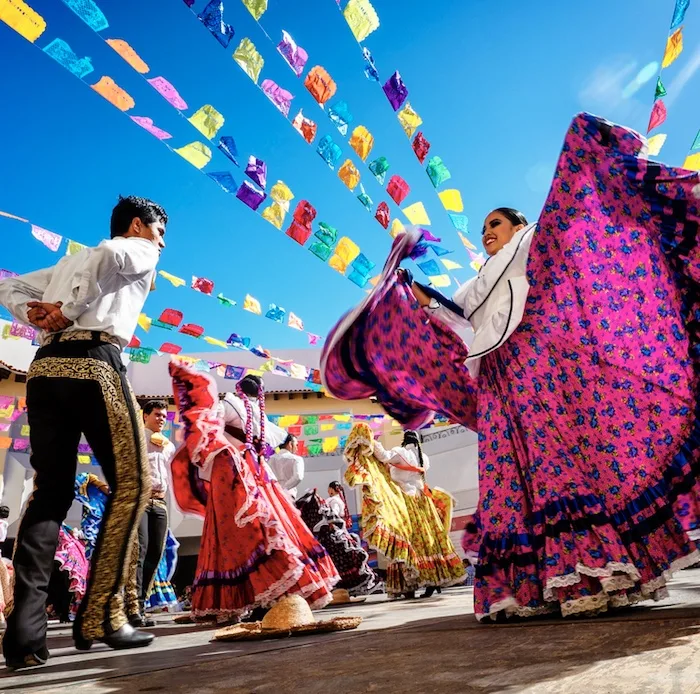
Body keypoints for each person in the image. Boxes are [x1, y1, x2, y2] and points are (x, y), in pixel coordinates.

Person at [322, 113, 700, 621]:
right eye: (482, 231)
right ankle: (536, 583)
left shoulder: (534, 242)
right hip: (497, 380)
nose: (486, 235)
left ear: (517, 224)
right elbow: (453, 318)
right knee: (510, 473)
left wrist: (584, 151)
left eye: (494, 224)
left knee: (556, 462)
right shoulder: (478, 280)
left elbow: (572, 235)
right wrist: (413, 298)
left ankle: (593, 567)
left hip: (538, 367)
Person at [0, 195, 167, 668]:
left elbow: (10, 286)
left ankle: (25, 638)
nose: (163, 243)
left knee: (50, 493)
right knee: (133, 483)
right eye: (160, 231)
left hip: (45, 368)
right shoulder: (133, 249)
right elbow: (110, 255)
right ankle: (104, 613)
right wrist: (70, 310)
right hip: (94, 365)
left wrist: (36, 315)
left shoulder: (66, 261)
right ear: (138, 225)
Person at [169, 364, 339, 623]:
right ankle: (265, 596)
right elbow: (273, 440)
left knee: (235, 535)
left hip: (237, 476)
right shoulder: (262, 417)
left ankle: (251, 598)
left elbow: (206, 427)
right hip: (260, 474)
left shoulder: (230, 405)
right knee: (266, 531)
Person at [126, 400, 176, 628]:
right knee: (140, 551)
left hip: (160, 503)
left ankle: (142, 604)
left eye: (164, 416)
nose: (161, 419)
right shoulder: (136, 438)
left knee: (155, 554)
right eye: (157, 414)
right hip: (141, 501)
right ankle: (132, 606)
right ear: (145, 415)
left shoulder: (168, 446)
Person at [296, 489, 378, 597]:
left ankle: (343, 589)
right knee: (342, 559)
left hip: (330, 535)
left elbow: (331, 519)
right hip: (330, 536)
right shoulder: (330, 502)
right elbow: (332, 518)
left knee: (342, 559)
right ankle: (343, 589)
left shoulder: (331, 502)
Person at [268, 434, 304, 499]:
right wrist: (284, 488)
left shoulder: (269, 459)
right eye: (296, 445)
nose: (297, 448)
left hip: (273, 495)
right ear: (290, 444)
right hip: (288, 495)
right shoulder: (296, 459)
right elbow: (298, 477)